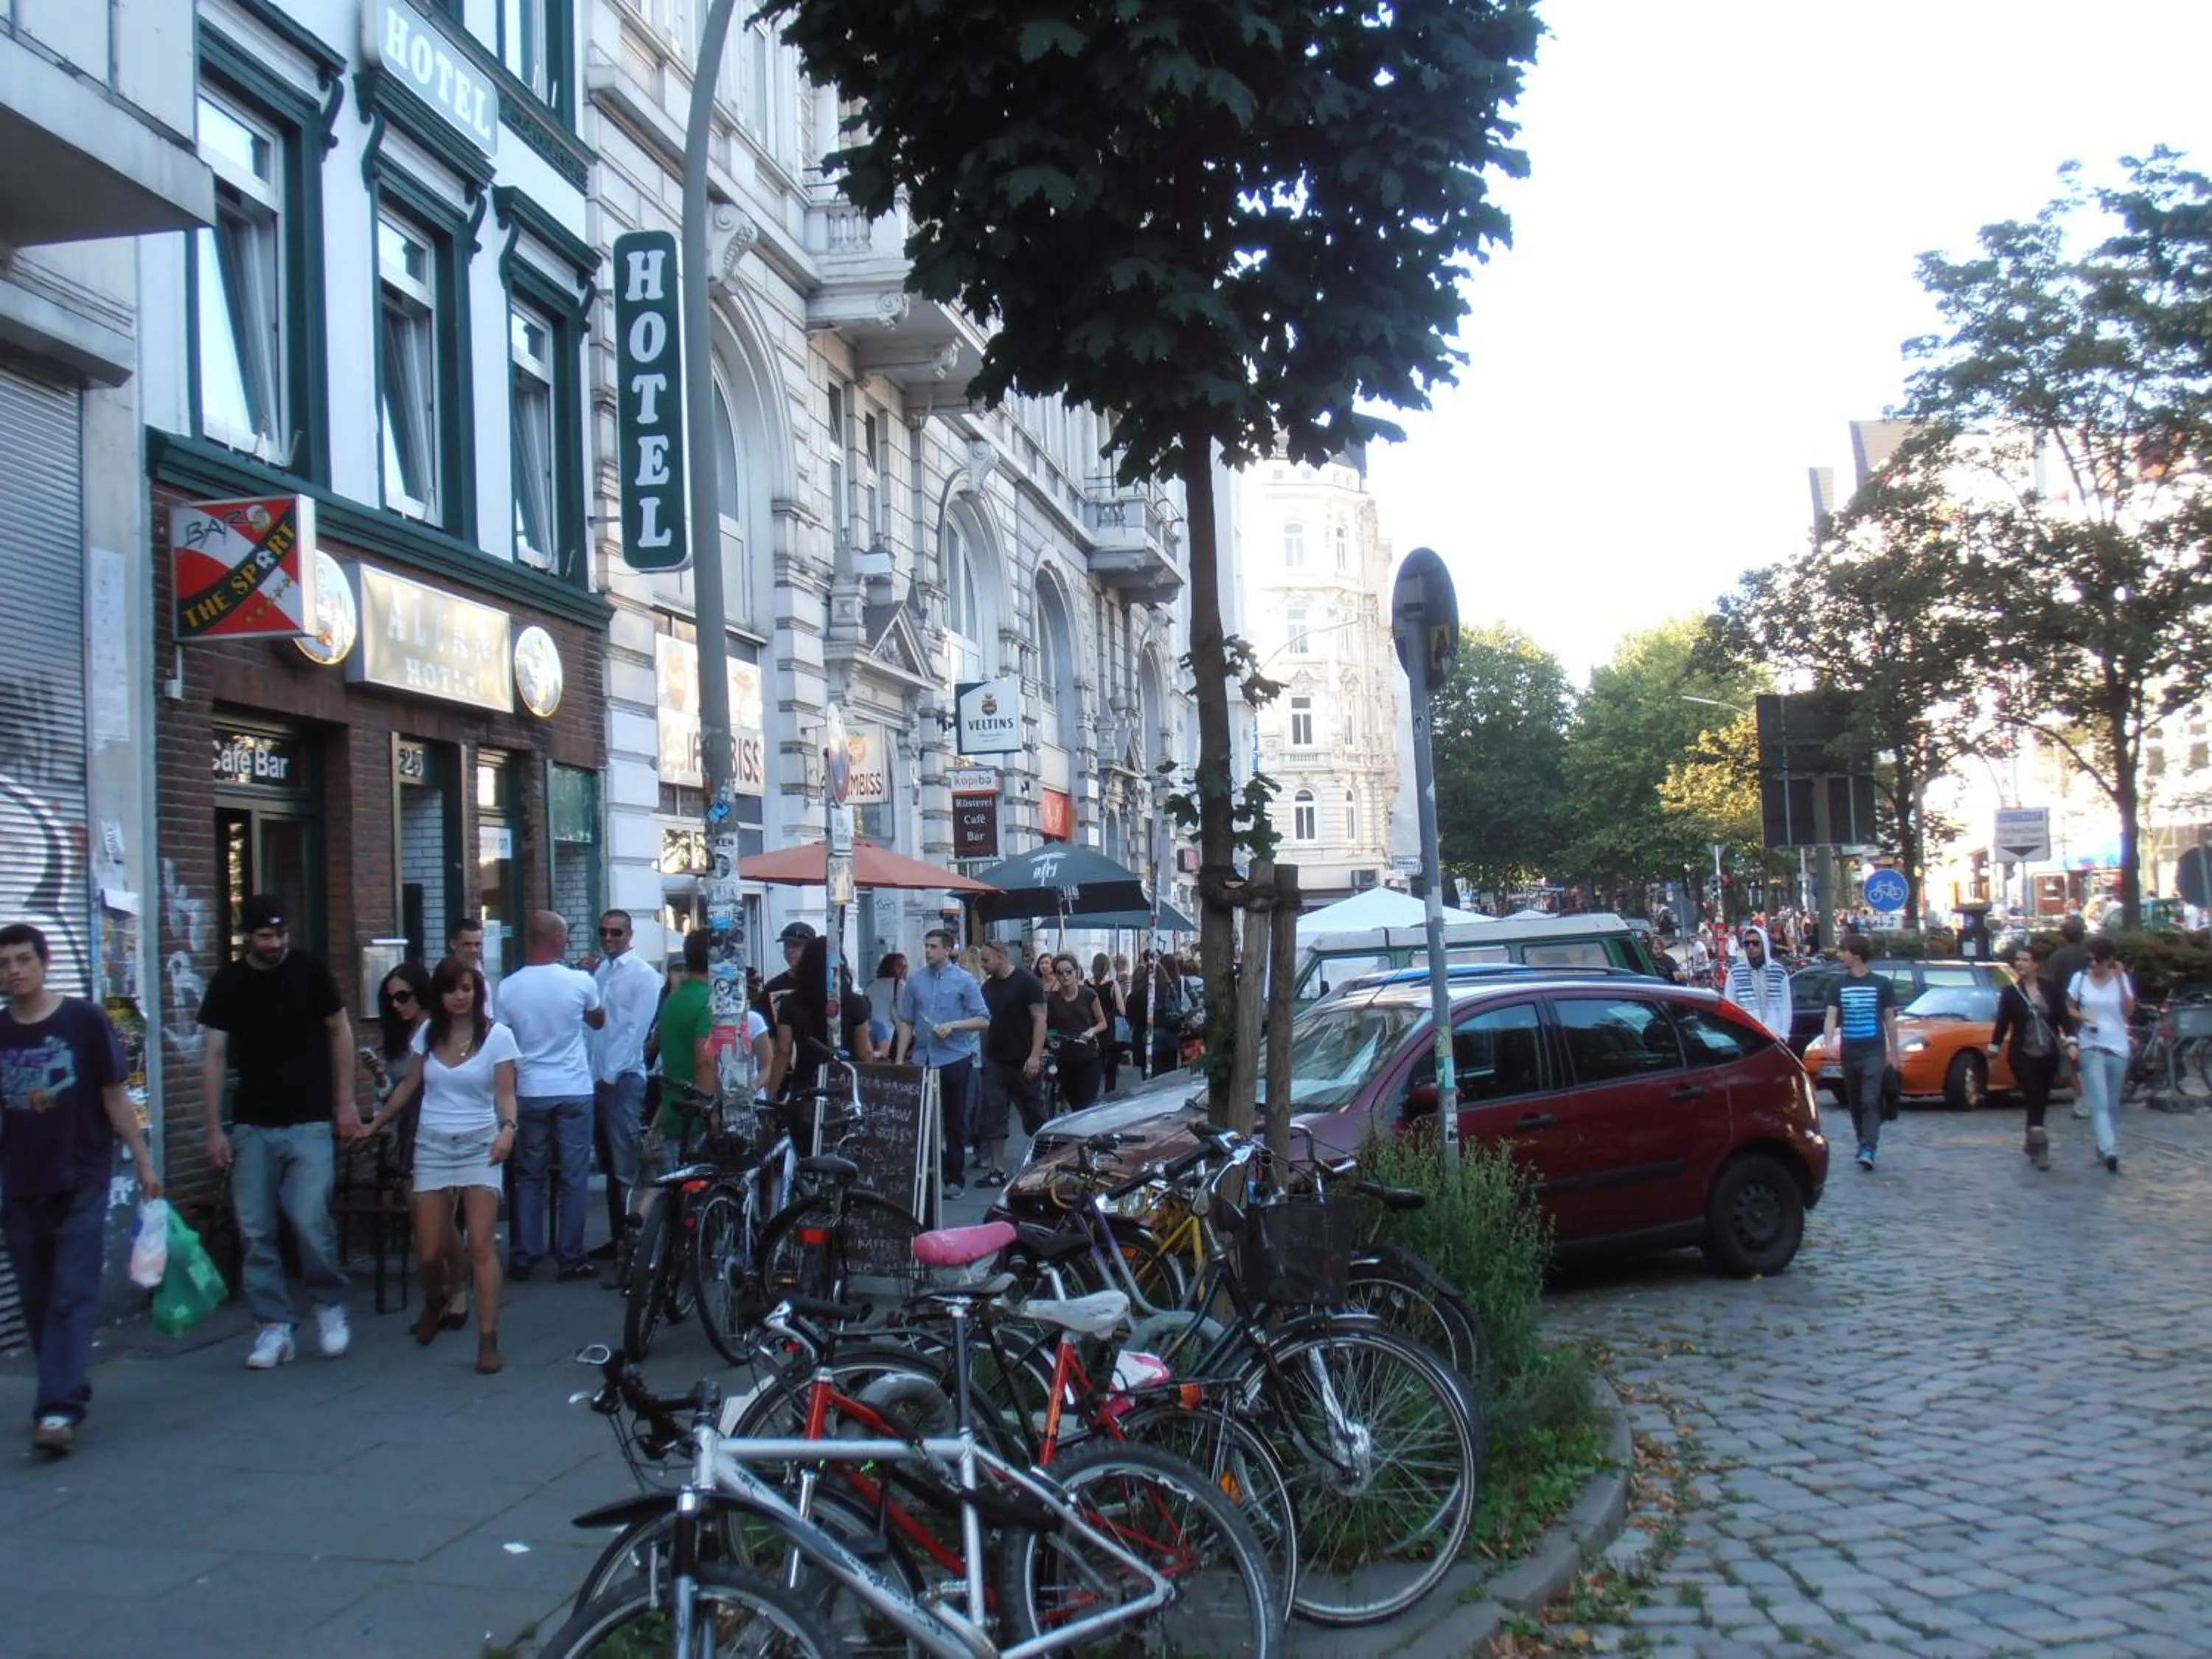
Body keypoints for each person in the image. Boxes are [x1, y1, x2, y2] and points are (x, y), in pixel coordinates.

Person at [0, 922, 159, 1454]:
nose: (15, 971)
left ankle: (56, 1411)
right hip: (21, 1182)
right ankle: (66, 1385)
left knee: (71, 1292)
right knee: (38, 1299)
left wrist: (142, 1160)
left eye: (23, 959)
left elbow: (115, 1095)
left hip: (82, 1177)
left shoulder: (84, 1021)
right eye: (5, 964)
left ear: (44, 963)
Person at [198, 894, 360, 1369]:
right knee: (255, 1229)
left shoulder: (310, 972)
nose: (275, 943)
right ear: (247, 936)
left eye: (281, 934)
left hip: (310, 1118)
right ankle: (273, 1327)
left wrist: (345, 1101)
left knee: (310, 1217)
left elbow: (341, 1031)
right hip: (253, 1122)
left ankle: (329, 1305)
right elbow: (213, 1055)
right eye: (266, 936)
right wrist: (214, 1128)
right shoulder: (229, 983)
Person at [374, 959, 515, 1372]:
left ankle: (488, 1340)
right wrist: (376, 1123)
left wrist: (508, 1128)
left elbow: (506, 1094)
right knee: (429, 1248)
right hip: (432, 1143)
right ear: (439, 995)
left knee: (480, 1245)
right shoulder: (427, 1034)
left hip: (480, 1144)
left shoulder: (498, 1037)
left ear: (477, 992)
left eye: (467, 989)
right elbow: (409, 1085)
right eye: (452, 990)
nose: (459, 997)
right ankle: (436, 1297)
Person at [498, 911, 605, 1281]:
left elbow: (503, 1038)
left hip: (530, 1088)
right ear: (558, 939)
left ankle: (525, 1254)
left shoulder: (508, 987)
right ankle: (570, 1257)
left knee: (530, 1174)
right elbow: (598, 1020)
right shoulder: (580, 981)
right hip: (573, 1086)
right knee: (574, 1176)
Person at [362, 963, 465, 1331]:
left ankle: (457, 1291)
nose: (396, 1005)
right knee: (421, 1220)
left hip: (441, 1124)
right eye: (389, 998)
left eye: (403, 996)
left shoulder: (439, 1032)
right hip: (409, 1130)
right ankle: (438, 1295)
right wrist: (378, 1078)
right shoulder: (398, 1037)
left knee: (438, 1217)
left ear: (421, 994)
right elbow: (394, 1092)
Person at [894, 928, 989, 1199]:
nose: (928, 951)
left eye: (934, 946)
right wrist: (901, 1059)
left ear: (948, 950)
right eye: (926, 946)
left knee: (954, 1118)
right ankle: (923, 1172)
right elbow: (907, 1020)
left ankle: (954, 1177)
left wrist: (954, 1026)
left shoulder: (965, 981)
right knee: (921, 1116)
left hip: (954, 1057)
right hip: (923, 1057)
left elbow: (983, 1019)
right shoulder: (915, 981)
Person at [588, 910, 661, 1257]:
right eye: (604, 932)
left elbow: (636, 1031)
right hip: (598, 1075)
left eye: (616, 933)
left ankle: (632, 1240)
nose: (608, 938)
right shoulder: (602, 970)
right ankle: (618, 1237)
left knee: (625, 1164)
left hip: (624, 1077)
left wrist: (610, 1074)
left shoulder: (645, 976)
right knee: (609, 1161)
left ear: (629, 935)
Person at [763, 937, 876, 1107]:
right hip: (845, 1086)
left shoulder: (790, 1003)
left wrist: (770, 1097)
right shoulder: (856, 1004)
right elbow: (864, 1052)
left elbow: (784, 1051)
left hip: (805, 1085)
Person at [1822, 935, 1900, 1172]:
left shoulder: (1882, 984)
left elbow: (1890, 1020)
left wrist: (1893, 1053)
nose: (1838, 954)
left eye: (1842, 950)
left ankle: (1869, 1147)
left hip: (1873, 1052)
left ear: (1856, 954)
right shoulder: (1838, 985)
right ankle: (1863, 1141)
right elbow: (1831, 1016)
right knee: (1855, 1103)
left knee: (1869, 1100)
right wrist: (1828, 1042)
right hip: (1849, 1052)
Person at [975, 939, 1048, 1186]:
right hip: (995, 1060)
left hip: (1024, 1059)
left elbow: (1040, 1019)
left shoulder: (1028, 982)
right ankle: (997, 1169)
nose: (983, 964)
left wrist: (1035, 1055)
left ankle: (1044, 1164)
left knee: (1034, 1113)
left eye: (986, 959)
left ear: (1000, 957)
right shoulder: (987, 989)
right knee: (994, 1114)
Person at [1991, 942, 2066, 1171]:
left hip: (2048, 1053)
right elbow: (2002, 1023)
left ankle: (2032, 1136)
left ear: (2035, 964)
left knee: (2041, 1099)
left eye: (2025, 960)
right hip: (2022, 1054)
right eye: (2018, 960)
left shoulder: (2050, 989)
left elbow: (2063, 1016)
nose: (2020, 964)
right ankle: (2041, 1148)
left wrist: (2071, 1040)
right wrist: (1994, 1047)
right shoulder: (2011, 993)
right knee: (2033, 1094)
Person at [2065, 936, 2134, 1175]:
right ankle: (2110, 1148)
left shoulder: (2120, 980)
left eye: (2098, 960)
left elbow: (2128, 1012)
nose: (2093, 964)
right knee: (2100, 1102)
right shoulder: (2080, 978)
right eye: (2089, 959)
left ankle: (2104, 1146)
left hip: (2117, 1045)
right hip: (2090, 1043)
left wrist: (2121, 982)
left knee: (2113, 1103)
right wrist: (2081, 1016)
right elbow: (2069, 1006)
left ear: (2110, 960)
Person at [2043, 915, 2091, 1118]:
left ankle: (2083, 1098)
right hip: (2092, 1007)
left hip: (2068, 1011)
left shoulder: (2058, 958)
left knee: (2073, 1057)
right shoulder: (2091, 954)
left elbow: (2052, 988)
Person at [1046, 954, 1108, 1110]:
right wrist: (1051, 1039)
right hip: (1064, 1058)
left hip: (1088, 1056)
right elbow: (1049, 1027)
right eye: (1060, 973)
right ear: (1056, 976)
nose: (1065, 976)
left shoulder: (1088, 994)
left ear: (1076, 972)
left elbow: (1102, 1023)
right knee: (1074, 1103)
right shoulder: (1051, 999)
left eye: (1068, 971)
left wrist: (1091, 1031)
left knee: (1086, 1103)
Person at [1722, 925, 1791, 1040]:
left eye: (1755, 943)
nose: (1751, 947)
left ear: (1764, 945)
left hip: (1775, 1036)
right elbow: (1730, 1007)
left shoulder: (1779, 972)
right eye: (1747, 943)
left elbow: (1786, 1006)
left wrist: (1784, 1034)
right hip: (1747, 1037)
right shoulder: (1735, 973)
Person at [1089, 953, 1129, 1096]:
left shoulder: (1086, 984)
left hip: (1092, 1026)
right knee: (1111, 1068)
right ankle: (1108, 1095)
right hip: (1110, 1030)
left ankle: (1092, 1095)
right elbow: (1122, 1010)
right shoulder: (1112, 985)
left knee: (1093, 1065)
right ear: (1107, 968)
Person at [448, 917, 493, 1015]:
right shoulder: (444, 976)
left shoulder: (482, 977)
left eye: (477, 945)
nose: (474, 950)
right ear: (453, 944)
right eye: (467, 944)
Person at [864, 953, 907, 1053]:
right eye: (899, 966)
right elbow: (904, 1014)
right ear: (889, 966)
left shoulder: (872, 985)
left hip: (869, 1032)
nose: (903, 970)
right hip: (888, 1036)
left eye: (905, 967)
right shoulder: (899, 985)